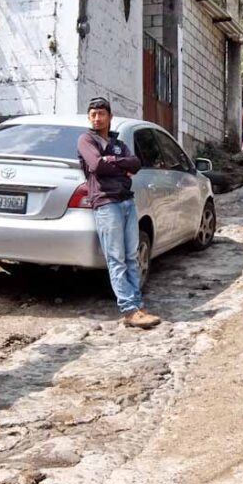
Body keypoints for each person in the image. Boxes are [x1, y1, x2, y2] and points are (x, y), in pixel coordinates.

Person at [77, 97, 162, 329]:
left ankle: (137, 305)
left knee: (131, 256)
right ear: (89, 117)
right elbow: (96, 166)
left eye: (101, 114)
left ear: (109, 117)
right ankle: (129, 310)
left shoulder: (117, 143)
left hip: (126, 202)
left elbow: (135, 163)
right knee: (116, 259)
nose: (97, 118)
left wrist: (113, 160)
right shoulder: (86, 139)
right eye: (93, 114)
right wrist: (119, 166)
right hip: (106, 204)